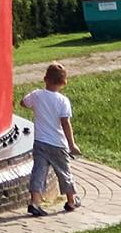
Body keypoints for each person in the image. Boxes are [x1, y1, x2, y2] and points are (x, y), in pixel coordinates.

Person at [21, 62, 81, 215]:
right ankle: (71, 201)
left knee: (38, 172)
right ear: (63, 83)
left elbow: (23, 103)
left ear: (45, 78)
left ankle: (35, 202)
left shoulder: (37, 95)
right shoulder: (63, 101)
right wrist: (72, 144)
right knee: (64, 172)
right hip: (58, 144)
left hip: (40, 142)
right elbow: (65, 123)